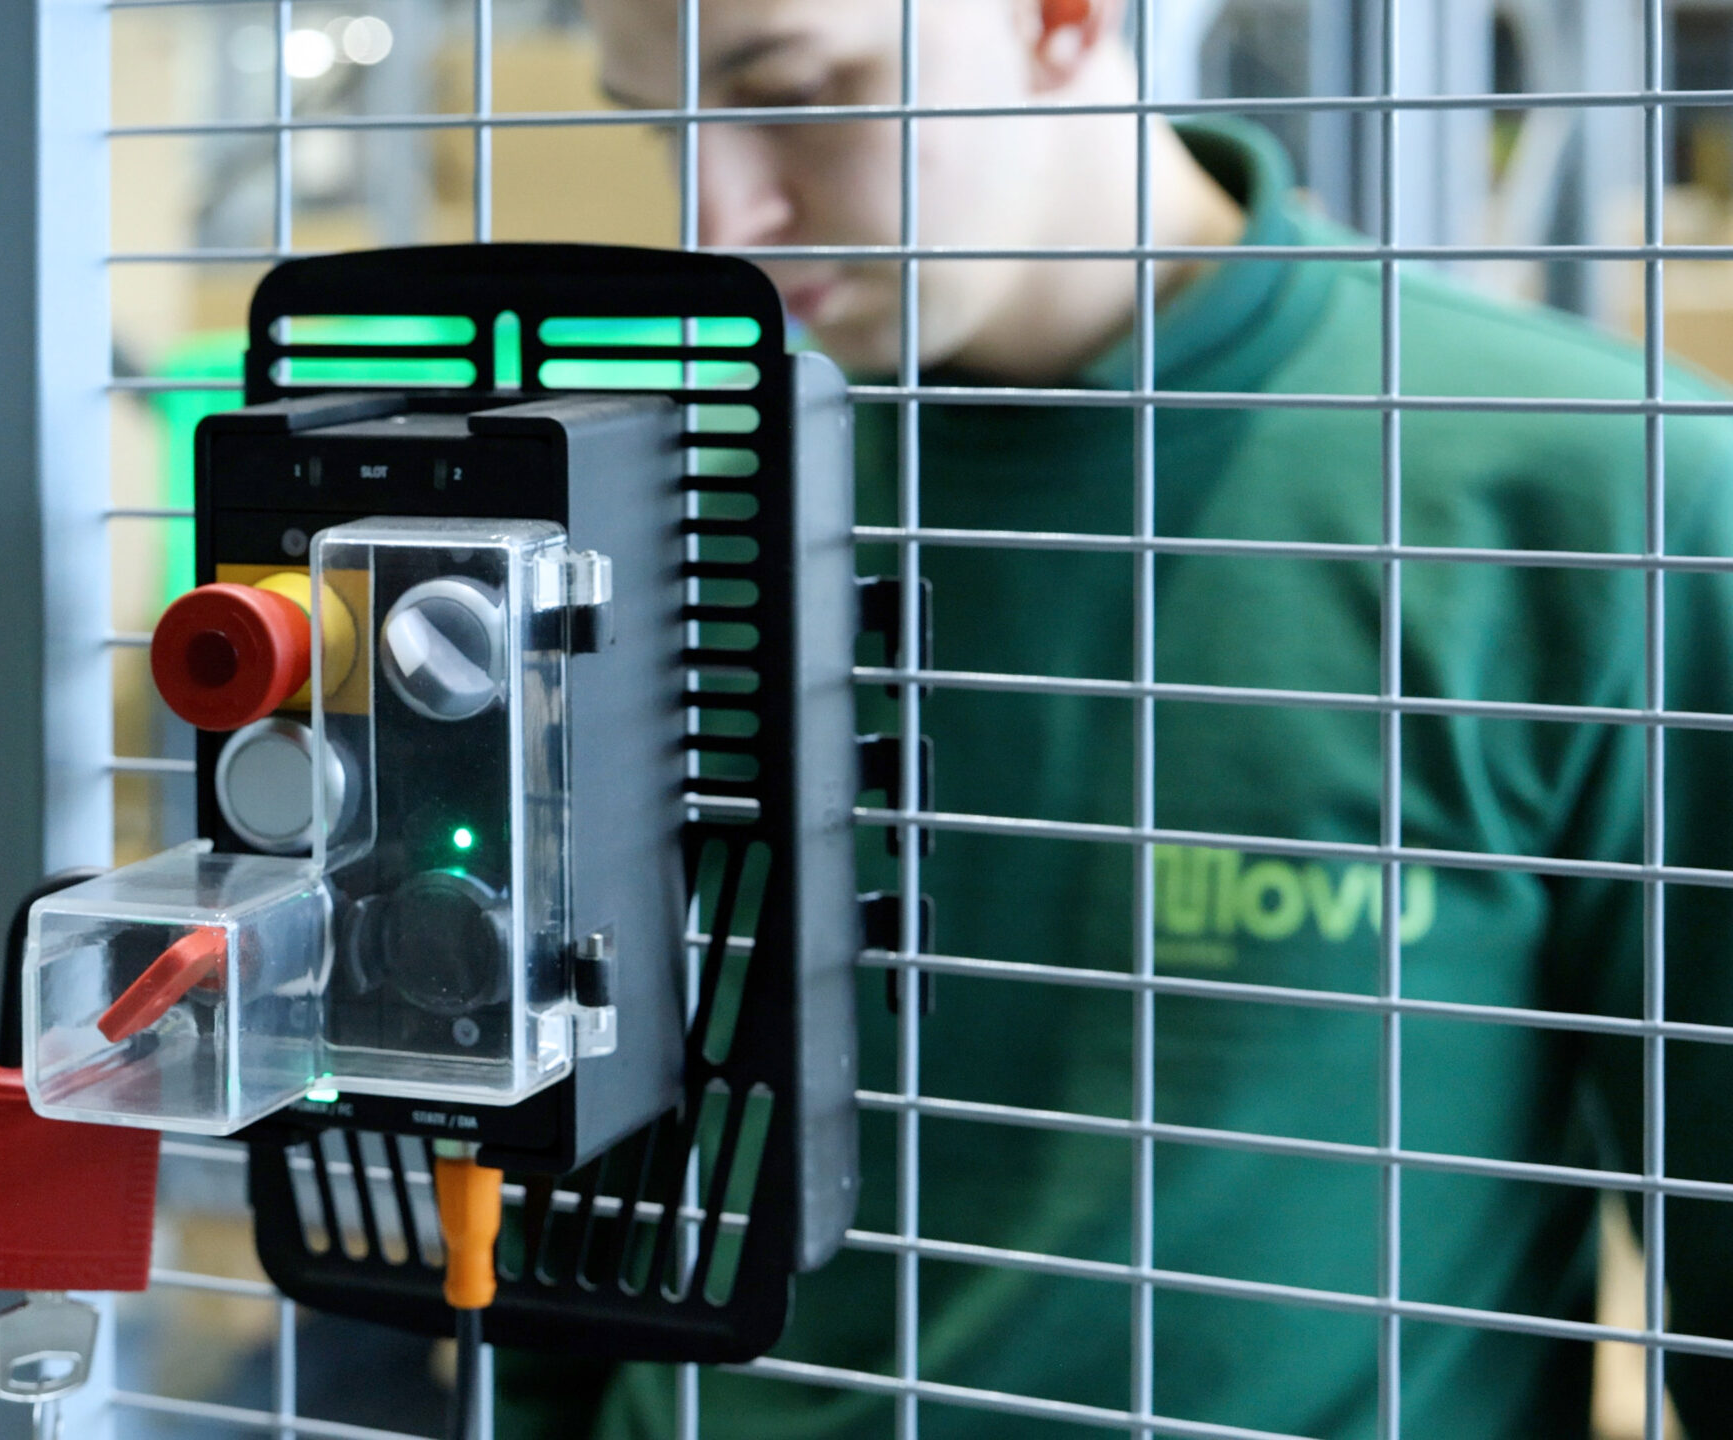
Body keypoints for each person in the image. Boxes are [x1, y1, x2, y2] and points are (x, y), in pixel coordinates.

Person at [498, 0, 1733, 1435]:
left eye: (794, 93)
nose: (722, 217)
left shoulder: (1607, 498)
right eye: (663, 125)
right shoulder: (656, 505)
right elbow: (563, 1192)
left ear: (1060, 18)